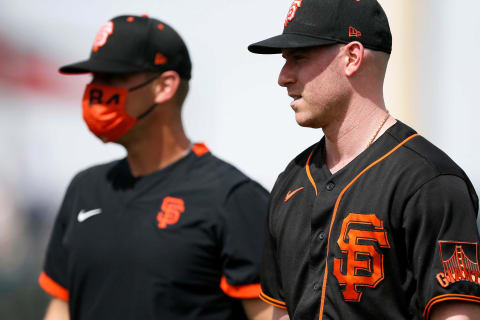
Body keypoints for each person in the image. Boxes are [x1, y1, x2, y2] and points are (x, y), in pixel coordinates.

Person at [247, 0, 480, 319]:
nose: (283, 77)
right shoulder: (291, 180)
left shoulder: (428, 181)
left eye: (298, 57)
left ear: (352, 57)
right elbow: (279, 312)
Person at [38, 14, 272, 320]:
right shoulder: (85, 187)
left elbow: (268, 314)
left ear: (165, 86)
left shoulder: (233, 197)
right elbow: (61, 306)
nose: (96, 90)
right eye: (94, 78)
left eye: (113, 78)